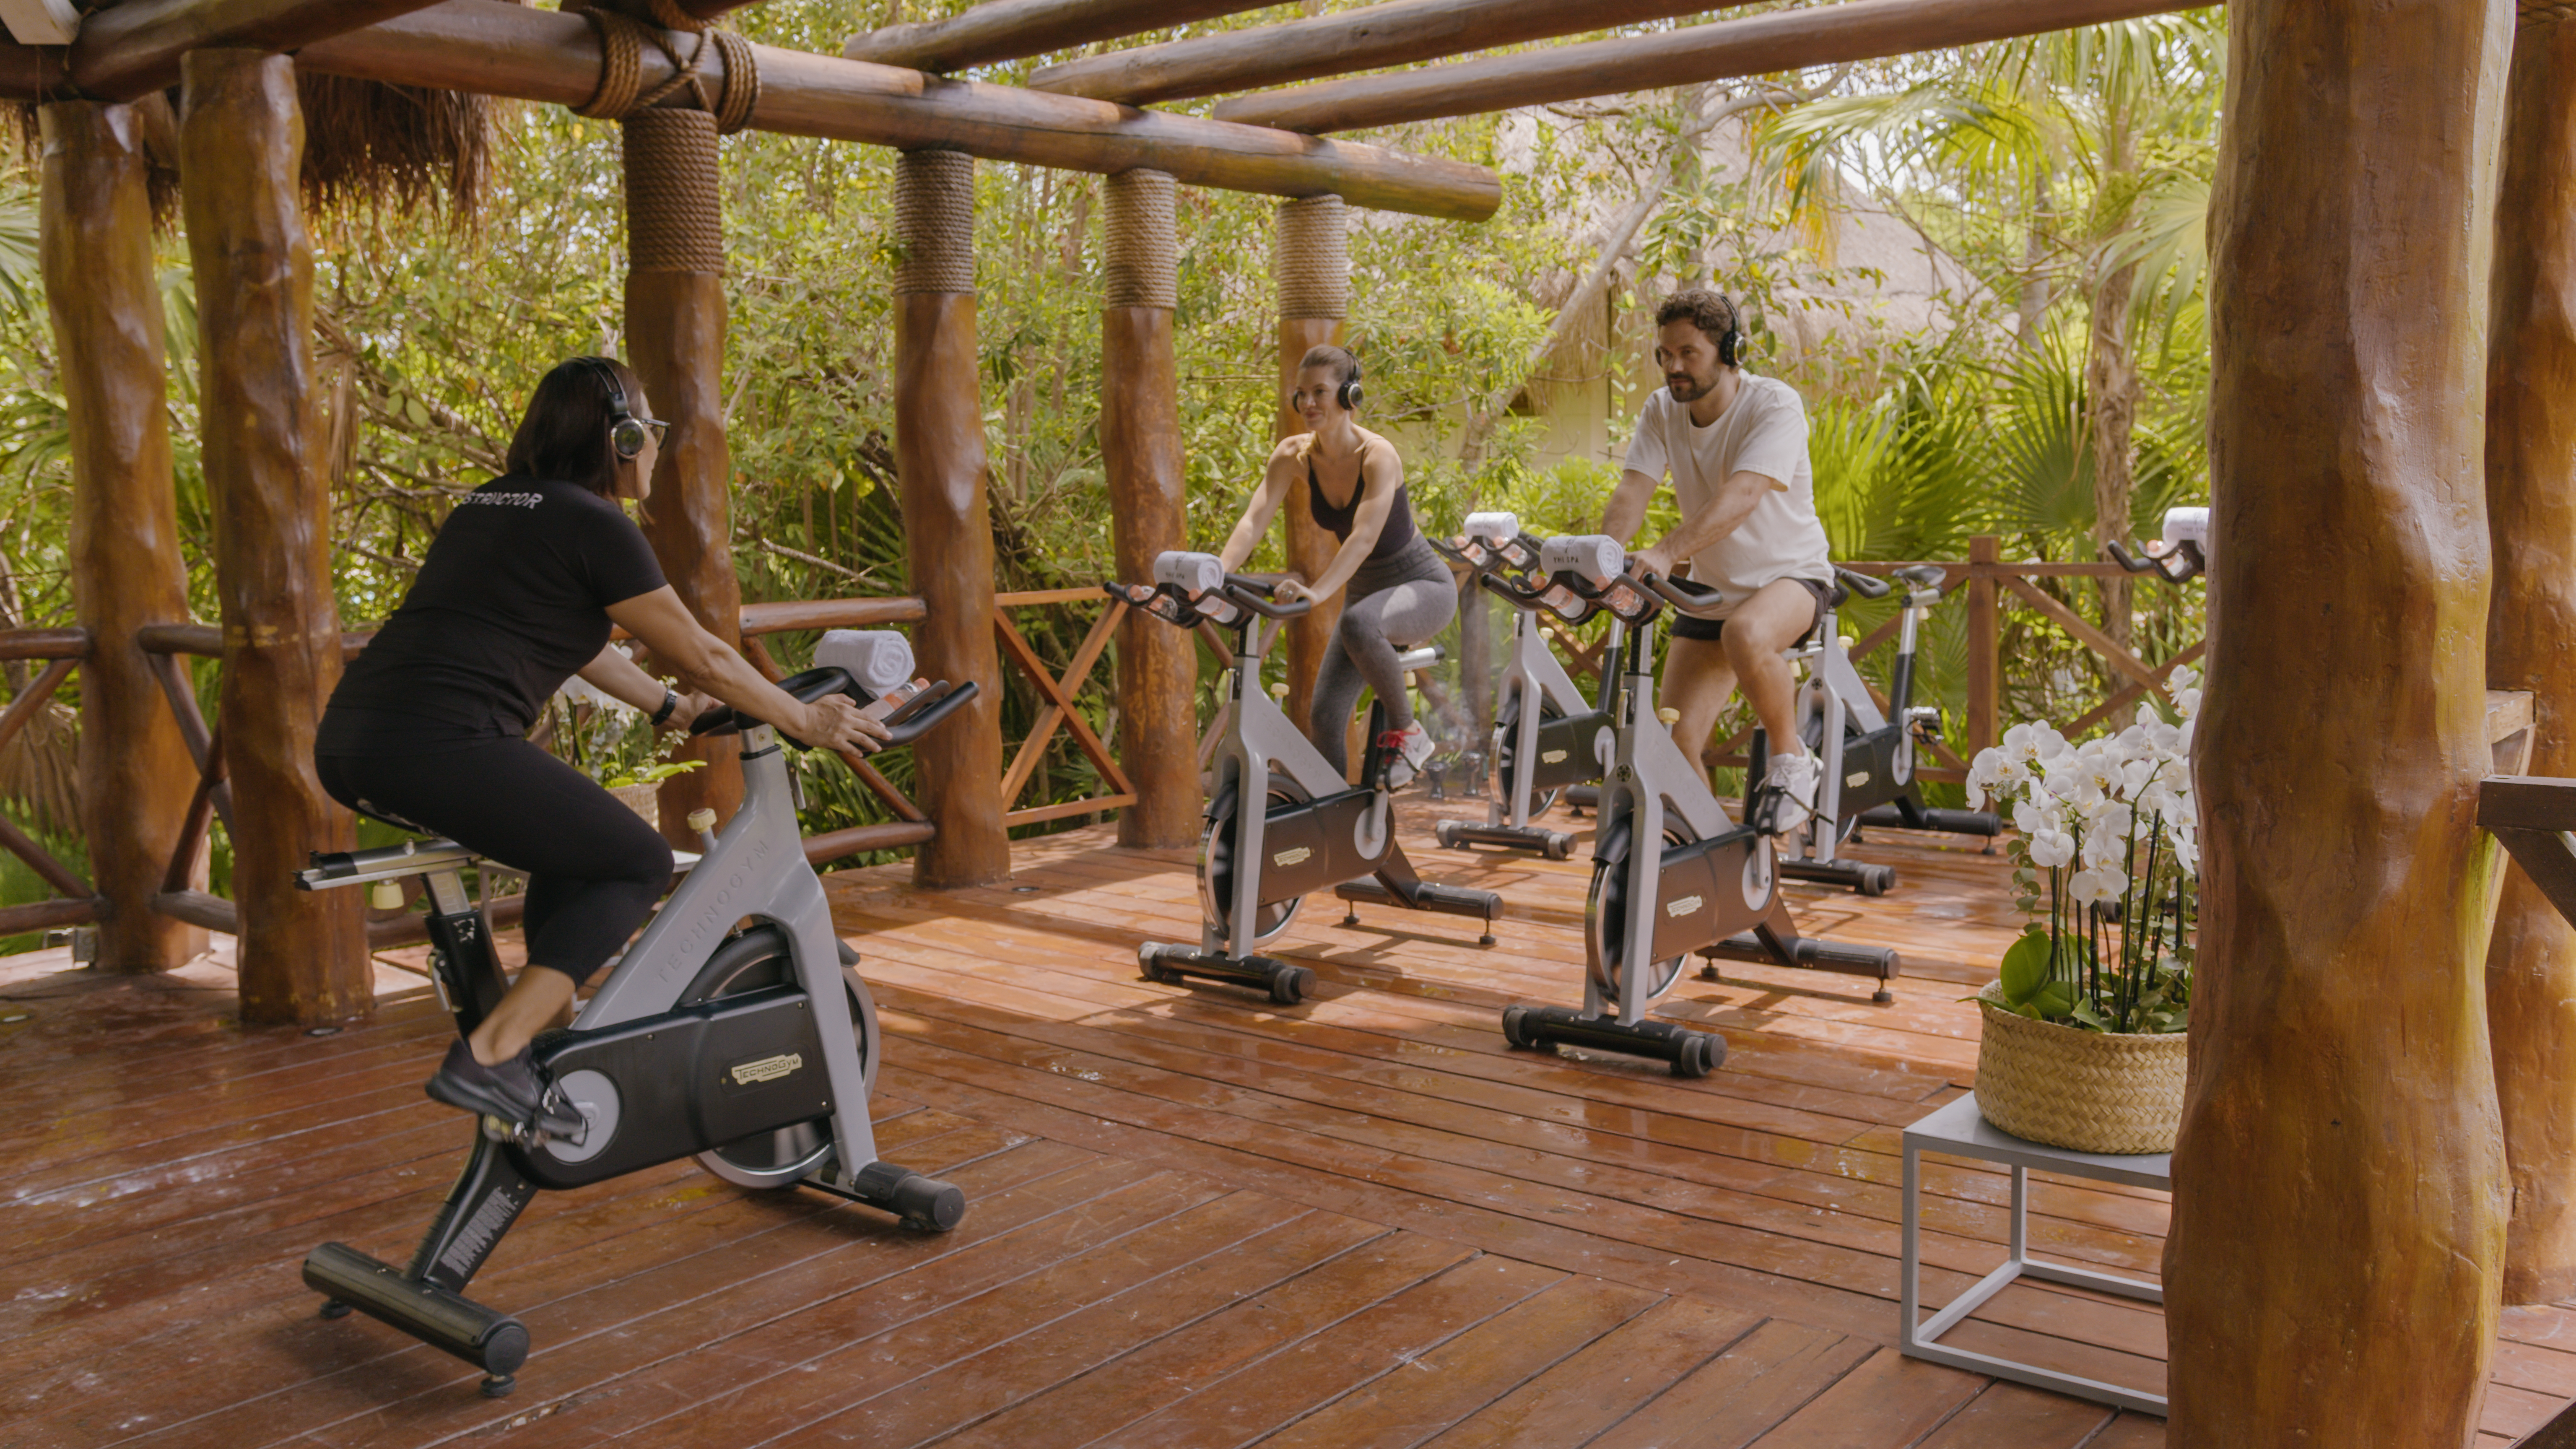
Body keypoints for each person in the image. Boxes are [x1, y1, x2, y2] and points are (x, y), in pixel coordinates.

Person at [315, 356, 892, 1133]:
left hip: (356, 738)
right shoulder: (595, 523)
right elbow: (705, 653)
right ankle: (492, 1058)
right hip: (443, 740)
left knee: (578, 852)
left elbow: (579, 641)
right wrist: (807, 719)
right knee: (637, 860)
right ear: (619, 437)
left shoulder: (492, 505)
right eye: (649, 431)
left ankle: (539, 1036)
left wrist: (666, 706)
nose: (654, 446)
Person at [1601, 288, 1835, 835]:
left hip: (1791, 578)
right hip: (1712, 593)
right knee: (1676, 742)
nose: (1674, 367)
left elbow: (1744, 495)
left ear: (1730, 351)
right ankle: (1720, 859)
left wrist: (1664, 551)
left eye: (1689, 354)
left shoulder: (1773, 404)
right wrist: (1602, 557)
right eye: (1665, 354)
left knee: (1747, 634)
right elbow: (1632, 491)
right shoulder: (1663, 410)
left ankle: (1792, 761)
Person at [1214, 345, 1452, 786]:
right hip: (1366, 597)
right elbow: (1253, 520)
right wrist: (1214, 574)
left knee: (1359, 623)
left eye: (1320, 392)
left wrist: (1320, 592)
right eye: (1301, 394)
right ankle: (1333, 812)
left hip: (1422, 587)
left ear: (1349, 395)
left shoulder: (1378, 455)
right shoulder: (1293, 455)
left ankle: (1410, 732)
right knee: (1325, 714)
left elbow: (1363, 537)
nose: (1308, 404)